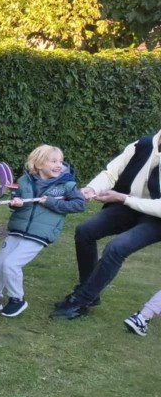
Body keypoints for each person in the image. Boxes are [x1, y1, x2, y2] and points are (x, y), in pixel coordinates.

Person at [51, 129, 161, 320]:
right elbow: (111, 173)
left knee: (116, 248)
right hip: (129, 204)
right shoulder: (142, 145)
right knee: (85, 231)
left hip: (156, 217)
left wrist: (123, 198)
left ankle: (81, 300)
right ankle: (89, 292)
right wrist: (91, 188)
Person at [0, 145, 85, 318]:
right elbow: (16, 204)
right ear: (38, 164)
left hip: (39, 234)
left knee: (11, 264)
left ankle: (17, 299)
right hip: (17, 229)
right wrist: (16, 203)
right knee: (0, 264)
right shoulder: (24, 181)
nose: (59, 165)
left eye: (61, 162)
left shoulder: (66, 185)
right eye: (53, 161)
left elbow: (79, 205)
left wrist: (51, 202)